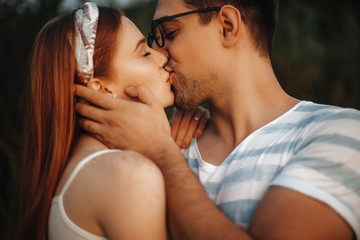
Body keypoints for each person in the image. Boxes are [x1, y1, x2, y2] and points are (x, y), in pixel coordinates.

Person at [74, 0, 360, 239]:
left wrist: (162, 154)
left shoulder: (342, 133)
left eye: (170, 33)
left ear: (228, 26)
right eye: (154, 40)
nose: (159, 55)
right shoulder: (158, 143)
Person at [16, 2, 208, 240]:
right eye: (145, 53)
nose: (161, 57)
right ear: (101, 90)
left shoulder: (83, 169)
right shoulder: (127, 175)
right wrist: (165, 148)